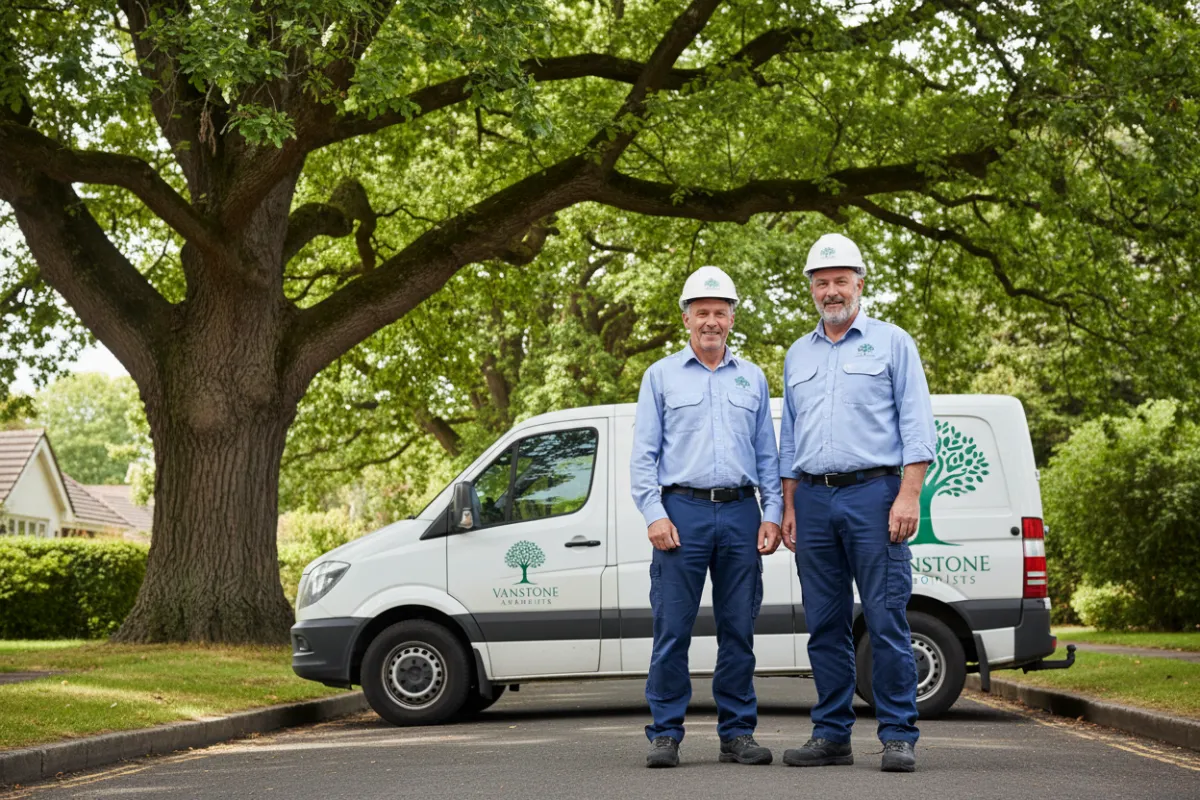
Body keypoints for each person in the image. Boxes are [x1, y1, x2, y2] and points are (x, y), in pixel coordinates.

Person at [778, 233, 937, 773]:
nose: (831, 290)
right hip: (814, 501)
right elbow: (789, 439)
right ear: (812, 290)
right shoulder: (797, 353)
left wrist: (908, 495)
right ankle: (831, 735)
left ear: (860, 284)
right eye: (821, 282)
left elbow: (918, 427)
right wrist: (789, 505)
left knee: (887, 619)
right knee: (824, 624)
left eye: (840, 280)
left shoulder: (894, 343)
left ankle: (897, 735)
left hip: (875, 496)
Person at [629, 265, 783, 768]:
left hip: (741, 512)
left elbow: (768, 457)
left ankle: (737, 733)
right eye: (702, 313)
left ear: (732, 319)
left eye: (720, 312)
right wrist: (654, 513)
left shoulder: (753, 378)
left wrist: (772, 513)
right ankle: (665, 734)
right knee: (672, 629)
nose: (711, 321)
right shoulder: (660, 377)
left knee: (738, 629)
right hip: (682, 513)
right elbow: (643, 457)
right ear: (686, 319)